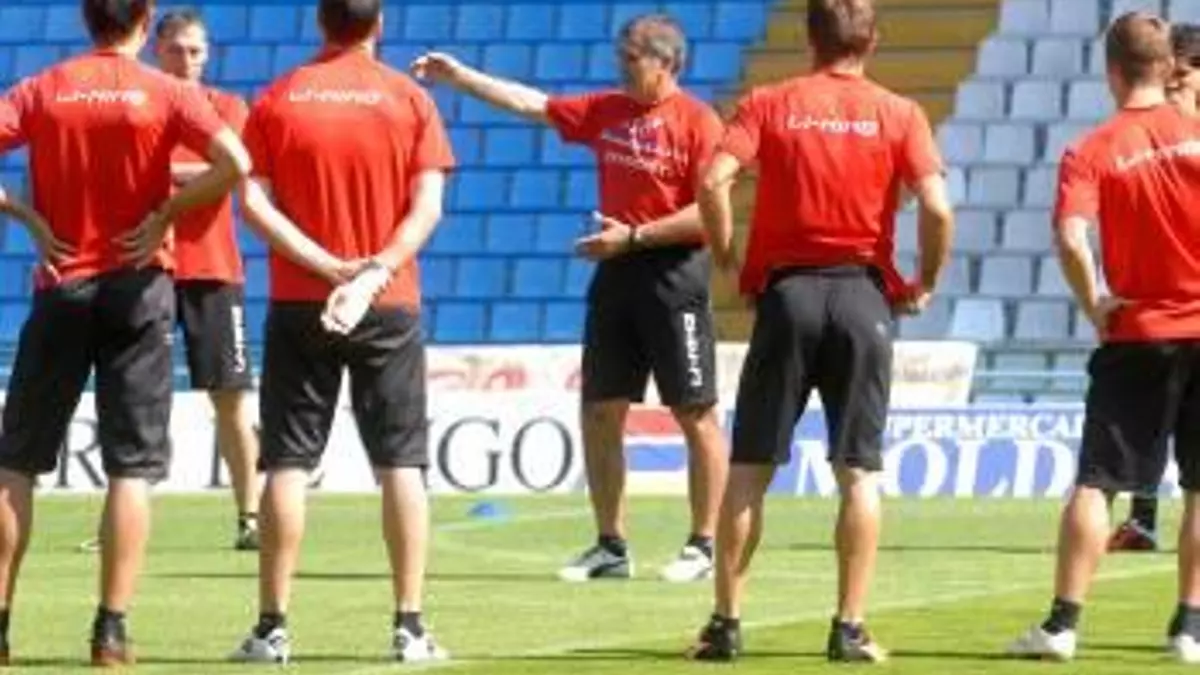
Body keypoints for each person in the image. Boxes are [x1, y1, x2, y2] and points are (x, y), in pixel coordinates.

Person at [413, 14, 730, 584]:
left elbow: (709, 214)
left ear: (665, 63)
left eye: (631, 58)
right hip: (616, 272)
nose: (620, 67)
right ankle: (611, 545)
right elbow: (532, 104)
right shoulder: (607, 109)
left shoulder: (698, 122)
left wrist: (635, 236)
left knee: (695, 411)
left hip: (675, 275)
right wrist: (461, 78)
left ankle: (704, 544)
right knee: (601, 409)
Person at [684, 0, 953, 662]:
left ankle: (725, 626)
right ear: (873, 41)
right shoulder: (900, 113)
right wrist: (924, 281)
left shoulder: (770, 101)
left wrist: (726, 257)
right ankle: (849, 628)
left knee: (750, 469)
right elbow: (939, 208)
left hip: (788, 296)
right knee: (858, 472)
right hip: (863, 296)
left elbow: (713, 181)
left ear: (809, 38)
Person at [0, 0, 249, 665]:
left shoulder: (45, 88)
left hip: (62, 283)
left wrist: (26, 217)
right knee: (131, 468)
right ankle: (110, 630)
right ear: (145, 20)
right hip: (139, 287)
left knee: (16, 462)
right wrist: (167, 211)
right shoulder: (166, 91)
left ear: (88, 21)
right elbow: (235, 162)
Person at [227, 0, 452, 663]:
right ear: (377, 25)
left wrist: (327, 267)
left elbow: (252, 202)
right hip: (387, 301)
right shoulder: (409, 98)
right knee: (401, 463)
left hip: (303, 298)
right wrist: (373, 272)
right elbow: (428, 207)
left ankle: (271, 628)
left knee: (288, 463)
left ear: (320, 23)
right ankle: (410, 626)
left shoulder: (279, 97)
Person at [1006, 12, 1200, 663]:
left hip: (1138, 332)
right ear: (1168, 67)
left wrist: (1093, 300)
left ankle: (1062, 625)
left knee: (1097, 482)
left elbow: (1070, 236)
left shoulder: (1093, 148)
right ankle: (1190, 628)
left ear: (1111, 70)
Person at [154, 8, 262, 551]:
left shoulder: (227, 107)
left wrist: (163, 175)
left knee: (231, 396)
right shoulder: (140, 105)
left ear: (208, 53)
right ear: (157, 50)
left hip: (213, 268)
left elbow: (234, 171)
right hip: (147, 264)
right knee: (135, 398)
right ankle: (118, 519)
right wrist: (206, 171)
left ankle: (250, 516)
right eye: (176, 49)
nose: (185, 59)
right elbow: (219, 169)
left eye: (195, 50)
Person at [1107, 21, 1200, 554]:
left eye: (1183, 76)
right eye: (1170, 75)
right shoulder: (1153, 137)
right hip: (1159, 305)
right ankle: (1143, 518)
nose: (1174, 86)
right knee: (1150, 416)